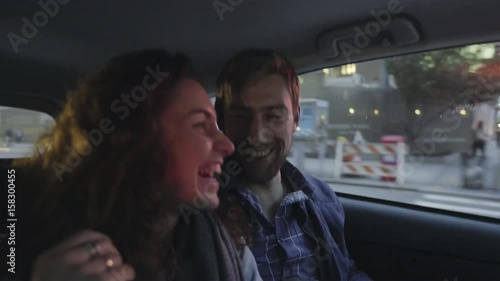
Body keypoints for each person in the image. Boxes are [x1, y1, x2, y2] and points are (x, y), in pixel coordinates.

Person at [11, 49, 262, 281]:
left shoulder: (229, 245)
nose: (228, 145)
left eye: (216, 126)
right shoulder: (29, 245)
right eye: (200, 125)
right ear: (133, 139)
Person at [214, 49, 371, 280]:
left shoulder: (322, 198)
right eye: (240, 116)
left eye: (274, 116)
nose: (256, 134)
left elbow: (345, 272)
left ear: (295, 118)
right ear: (221, 120)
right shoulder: (204, 209)